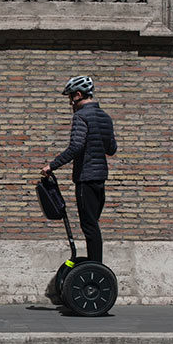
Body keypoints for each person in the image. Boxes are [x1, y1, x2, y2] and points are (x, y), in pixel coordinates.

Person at [40, 75, 117, 263]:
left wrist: (52, 165)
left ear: (79, 95)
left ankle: (96, 269)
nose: (70, 103)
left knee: (89, 226)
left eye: (70, 98)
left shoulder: (80, 116)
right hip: (100, 179)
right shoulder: (105, 118)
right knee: (93, 225)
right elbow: (111, 149)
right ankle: (95, 266)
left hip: (86, 177)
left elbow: (76, 146)